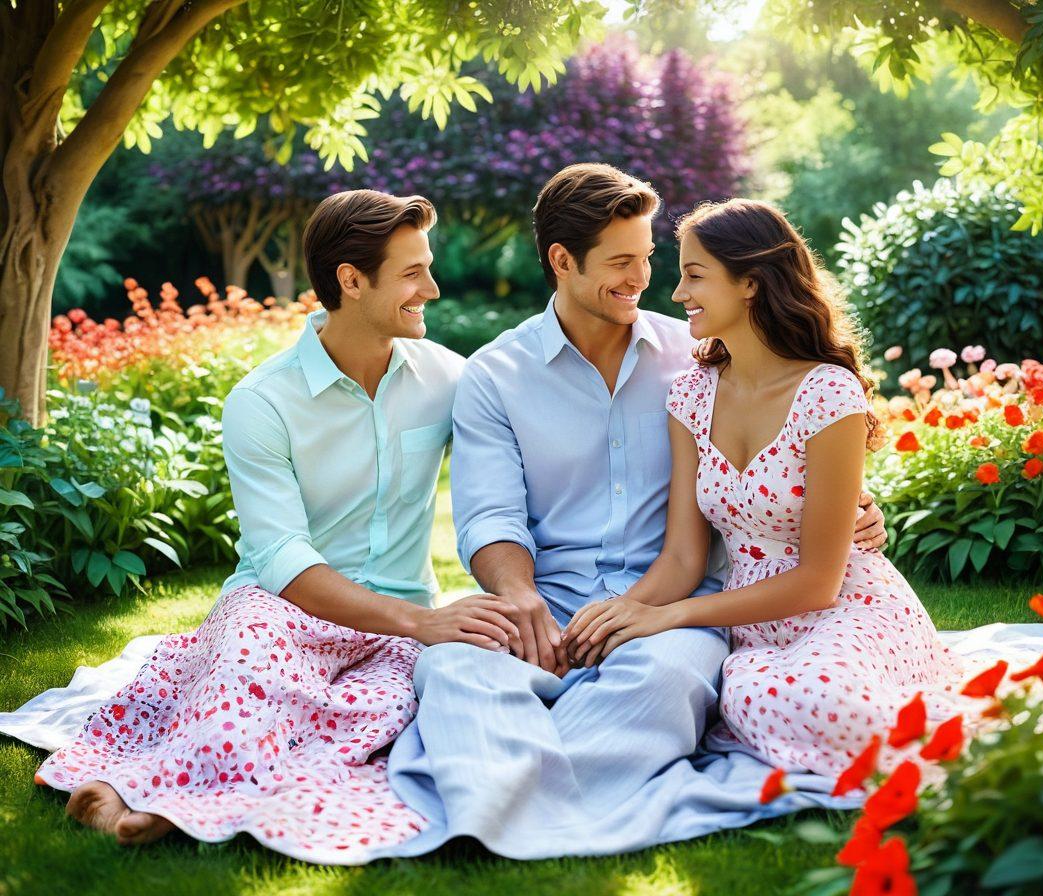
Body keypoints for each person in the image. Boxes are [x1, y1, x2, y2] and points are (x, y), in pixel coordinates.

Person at [385, 165, 888, 858]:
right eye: (622, 262)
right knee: (451, 670)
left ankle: (509, 801)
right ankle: (520, 798)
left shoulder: (701, 352)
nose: (645, 279)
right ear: (563, 261)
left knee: (663, 678)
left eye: (650, 258)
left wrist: (858, 506)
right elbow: (489, 516)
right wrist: (520, 599)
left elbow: (790, 437)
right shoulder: (494, 376)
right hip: (547, 599)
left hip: (672, 599)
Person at [38, 190, 521, 861]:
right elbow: (282, 558)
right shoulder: (263, 401)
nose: (432, 290)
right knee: (247, 686)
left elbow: (505, 486)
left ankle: (172, 800)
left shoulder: (449, 378)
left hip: (393, 629)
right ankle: (133, 794)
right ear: (351, 281)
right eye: (412, 273)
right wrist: (423, 622)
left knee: (382, 718)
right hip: (282, 608)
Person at [562, 198, 961, 778]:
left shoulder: (828, 393)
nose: (677, 294)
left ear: (750, 283)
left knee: (822, 700)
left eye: (695, 276)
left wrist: (672, 618)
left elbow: (820, 583)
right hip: (755, 626)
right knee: (750, 696)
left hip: (848, 607)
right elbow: (682, 555)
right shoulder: (690, 395)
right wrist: (624, 612)